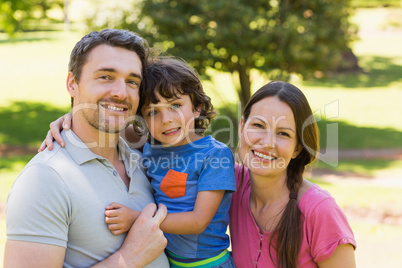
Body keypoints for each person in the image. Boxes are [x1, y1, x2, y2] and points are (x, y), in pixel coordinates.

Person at [41, 57, 237, 268]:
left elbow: (198, 221)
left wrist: (136, 218)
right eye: (153, 112)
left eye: (176, 106)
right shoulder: (150, 146)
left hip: (209, 264)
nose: (166, 119)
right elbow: (102, 124)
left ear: (197, 107)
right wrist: (69, 119)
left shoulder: (215, 155)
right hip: (170, 262)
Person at [4, 29, 169, 268]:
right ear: (73, 83)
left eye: (132, 82)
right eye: (105, 77)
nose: (121, 93)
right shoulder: (44, 180)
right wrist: (130, 257)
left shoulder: (144, 157)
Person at [229, 81, 356, 267]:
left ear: (297, 148)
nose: (267, 142)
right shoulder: (231, 184)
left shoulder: (319, 211)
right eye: (258, 125)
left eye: (283, 134)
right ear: (241, 127)